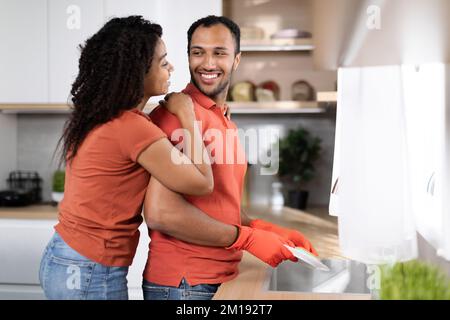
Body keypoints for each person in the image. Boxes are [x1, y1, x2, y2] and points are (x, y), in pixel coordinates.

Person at [38, 16, 215, 300]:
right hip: (88, 269)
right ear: (138, 72)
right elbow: (202, 182)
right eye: (163, 61)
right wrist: (187, 115)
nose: (171, 68)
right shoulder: (132, 128)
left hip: (65, 257)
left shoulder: (102, 116)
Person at [142, 15, 317, 300]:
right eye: (198, 52)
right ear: (188, 57)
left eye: (219, 53)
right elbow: (162, 213)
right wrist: (247, 238)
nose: (208, 64)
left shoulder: (221, 119)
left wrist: (263, 229)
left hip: (214, 279)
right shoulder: (176, 115)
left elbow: (220, 204)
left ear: (236, 60)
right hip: (184, 284)